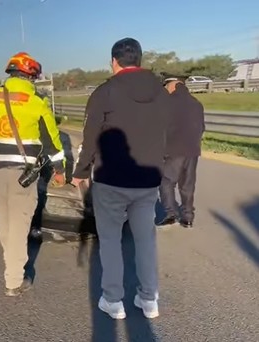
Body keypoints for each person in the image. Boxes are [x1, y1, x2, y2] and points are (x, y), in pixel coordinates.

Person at [71, 37, 170, 319]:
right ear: (139, 60)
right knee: (145, 240)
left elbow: (90, 137)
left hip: (111, 180)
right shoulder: (163, 93)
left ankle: (113, 301)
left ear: (114, 61)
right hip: (148, 179)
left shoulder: (105, 91)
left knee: (111, 240)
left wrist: (79, 172)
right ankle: (149, 299)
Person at [0, 52, 66, 297]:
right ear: (31, 76)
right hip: (22, 176)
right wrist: (60, 170)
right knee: (19, 226)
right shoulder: (37, 103)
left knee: (6, 220)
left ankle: (11, 263)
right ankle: (14, 281)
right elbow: (52, 143)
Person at [157, 79, 205, 228]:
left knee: (166, 181)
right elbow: (202, 127)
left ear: (171, 87)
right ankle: (188, 217)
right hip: (192, 150)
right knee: (188, 184)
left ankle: (171, 213)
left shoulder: (166, 103)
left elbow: (161, 128)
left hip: (173, 149)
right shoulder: (197, 103)